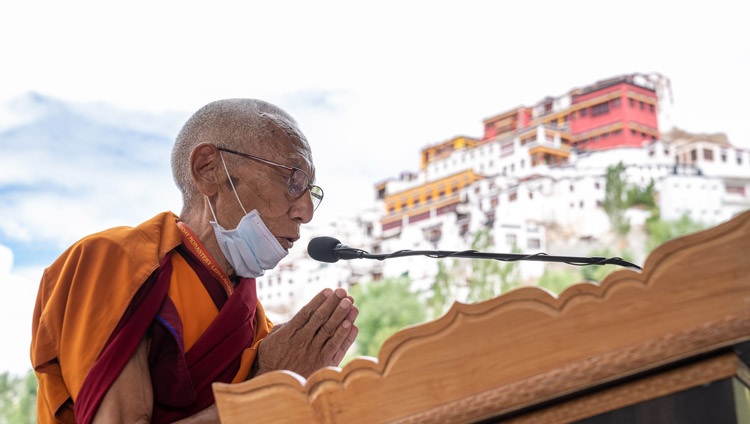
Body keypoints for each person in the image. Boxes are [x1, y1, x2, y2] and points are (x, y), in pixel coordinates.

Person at [30, 99, 359, 423]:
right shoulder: (116, 263)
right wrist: (268, 388)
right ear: (208, 169)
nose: (306, 211)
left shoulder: (258, 325)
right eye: (293, 181)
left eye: (311, 192)